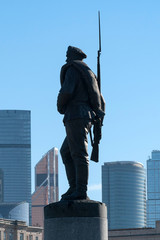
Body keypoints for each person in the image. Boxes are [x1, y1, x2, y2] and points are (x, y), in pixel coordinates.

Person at [57, 46, 105, 201]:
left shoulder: (73, 69)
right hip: (84, 116)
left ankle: (81, 191)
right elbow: (101, 99)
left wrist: (60, 105)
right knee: (66, 152)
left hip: (76, 114)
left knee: (79, 153)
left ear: (72, 56)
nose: (66, 59)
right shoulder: (88, 72)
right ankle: (74, 187)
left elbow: (66, 91)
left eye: (67, 55)